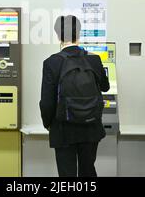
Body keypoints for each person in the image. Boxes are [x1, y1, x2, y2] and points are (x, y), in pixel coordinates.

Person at [40, 15, 110, 177]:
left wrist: (48, 124)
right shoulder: (94, 59)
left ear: (58, 35)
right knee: (88, 170)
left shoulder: (51, 62)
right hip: (90, 126)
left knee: (67, 174)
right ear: (78, 33)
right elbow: (105, 87)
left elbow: (47, 102)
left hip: (63, 127)